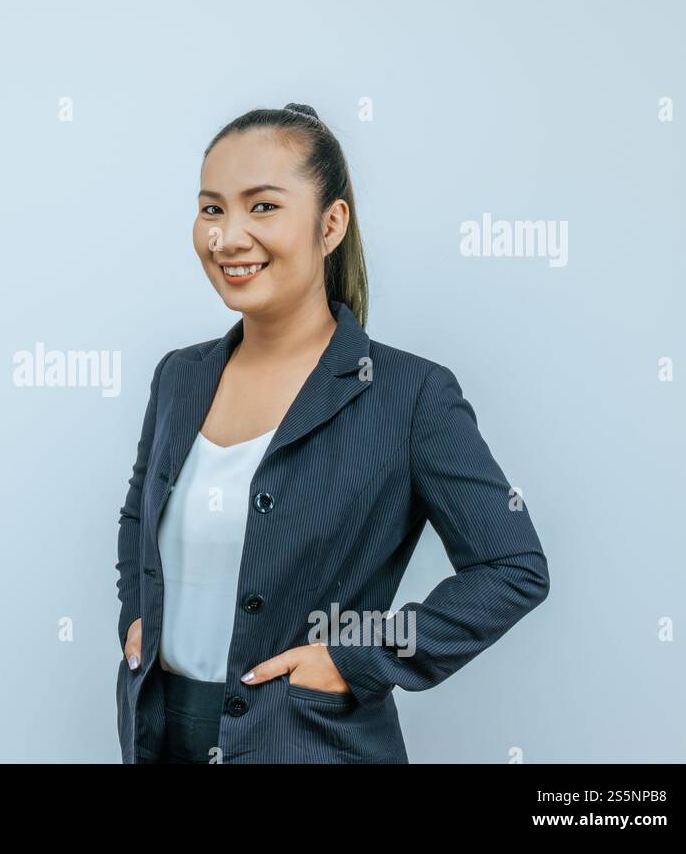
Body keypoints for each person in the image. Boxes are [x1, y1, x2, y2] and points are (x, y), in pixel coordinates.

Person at [114, 103, 550, 763]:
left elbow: (513, 566)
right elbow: (136, 514)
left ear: (331, 224)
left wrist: (358, 657)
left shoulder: (410, 395)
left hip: (310, 743)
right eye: (212, 208)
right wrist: (138, 616)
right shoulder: (181, 377)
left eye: (262, 207)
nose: (227, 237)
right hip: (163, 733)